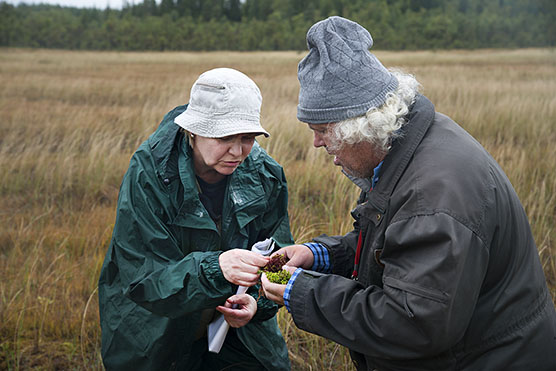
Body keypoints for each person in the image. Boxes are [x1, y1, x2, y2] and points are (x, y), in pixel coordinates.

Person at [261, 16, 556, 371]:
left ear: (363, 126)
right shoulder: (406, 147)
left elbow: (413, 322)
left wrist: (301, 291)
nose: (316, 143)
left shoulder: (432, 196)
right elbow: (396, 247)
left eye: (323, 130)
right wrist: (319, 256)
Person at [98, 68, 293, 370]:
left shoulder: (266, 174)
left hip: (239, 333)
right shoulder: (151, 173)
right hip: (157, 330)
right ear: (194, 130)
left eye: (248, 138)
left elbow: (280, 259)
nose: (238, 151)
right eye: (225, 137)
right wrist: (217, 268)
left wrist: (258, 303)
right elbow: (143, 276)